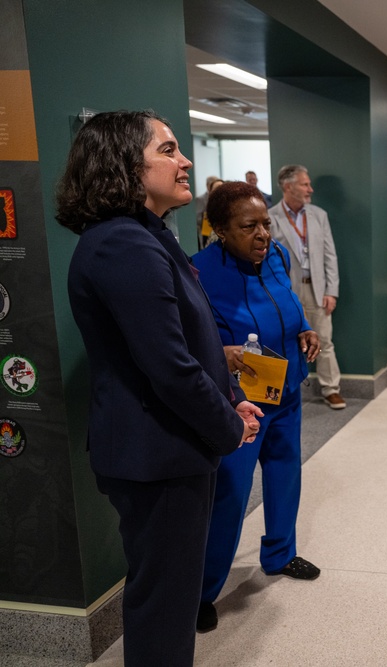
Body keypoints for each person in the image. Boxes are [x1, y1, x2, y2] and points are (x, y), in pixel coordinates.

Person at [55, 110, 261, 666]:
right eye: (169, 149)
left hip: (167, 447)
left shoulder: (145, 234)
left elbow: (185, 348)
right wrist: (226, 425)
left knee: (168, 596)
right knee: (164, 604)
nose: (185, 160)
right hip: (157, 454)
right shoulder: (123, 243)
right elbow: (168, 365)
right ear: (125, 164)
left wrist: (225, 396)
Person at [192, 181, 322, 632]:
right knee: (230, 492)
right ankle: (203, 592)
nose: (263, 234)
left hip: (285, 390)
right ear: (221, 230)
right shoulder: (199, 270)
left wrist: (304, 327)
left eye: (265, 223)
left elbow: (286, 301)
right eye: (250, 227)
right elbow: (193, 337)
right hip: (239, 400)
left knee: (286, 473)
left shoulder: (278, 257)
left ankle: (280, 554)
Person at [268, 164, 346, 409]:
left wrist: (331, 291)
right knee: (283, 341)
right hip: (287, 292)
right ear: (288, 187)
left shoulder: (318, 215)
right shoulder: (270, 217)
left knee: (324, 340)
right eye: (305, 184)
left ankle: (331, 388)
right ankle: (285, 390)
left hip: (317, 289)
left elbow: (330, 255)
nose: (310, 189)